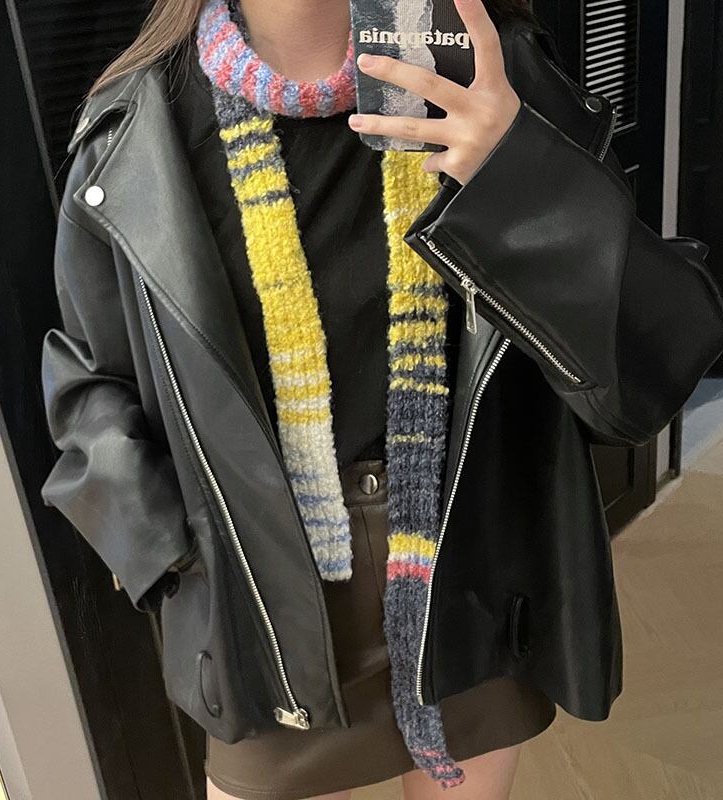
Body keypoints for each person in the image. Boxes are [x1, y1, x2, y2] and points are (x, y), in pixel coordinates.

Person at [38, 0, 721, 798]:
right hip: (264, 607)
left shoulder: (488, 76)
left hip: (471, 574)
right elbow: (88, 383)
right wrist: (170, 560)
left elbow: (649, 372)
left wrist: (521, 179)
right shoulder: (137, 124)